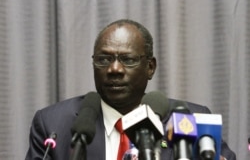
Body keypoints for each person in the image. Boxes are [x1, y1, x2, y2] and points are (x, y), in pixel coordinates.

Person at [25, 19, 236, 160]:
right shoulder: (53, 124)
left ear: (150, 67)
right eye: (104, 59)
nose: (114, 69)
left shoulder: (190, 120)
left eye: (128, 59)